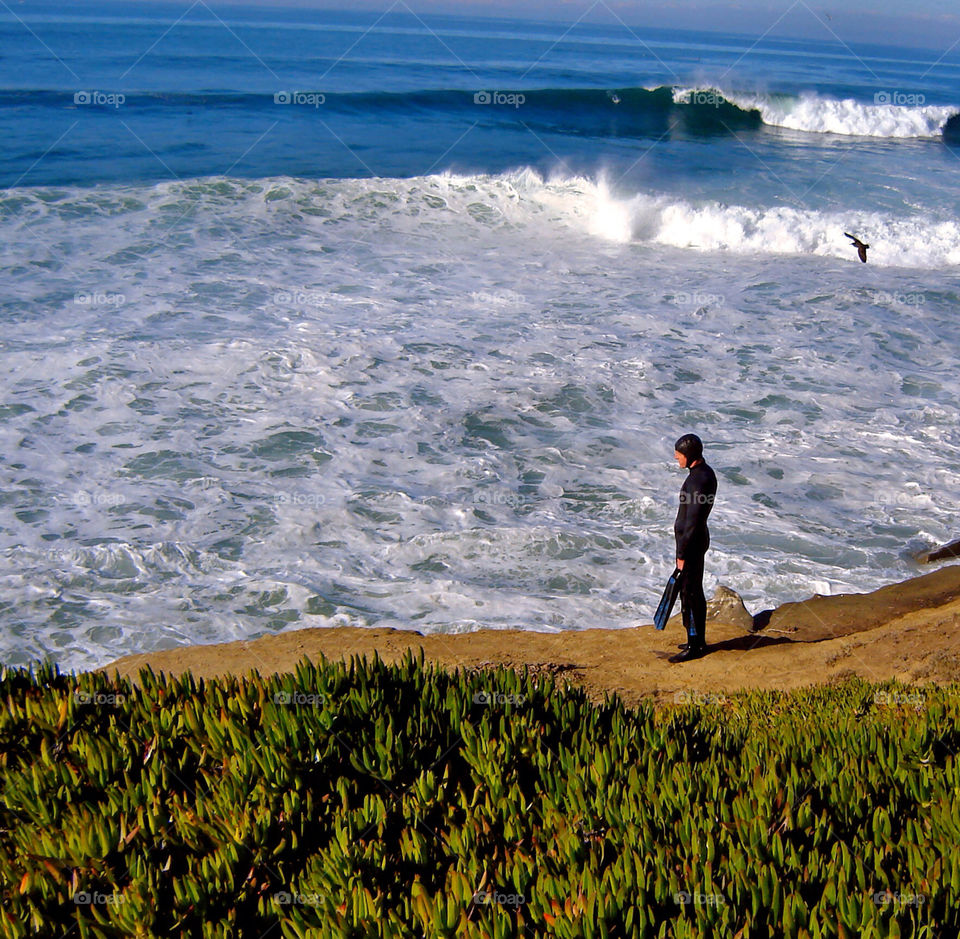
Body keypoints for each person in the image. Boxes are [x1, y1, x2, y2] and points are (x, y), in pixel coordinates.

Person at [669, 433, 717, 663]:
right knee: (690, 590)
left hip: (692, 544)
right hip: (693, 542)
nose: (676, 458)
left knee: (691, 593)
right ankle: (694, 639)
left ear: (689, 456)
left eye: (679, 455)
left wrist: (682, 554)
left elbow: (694, 522)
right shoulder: (700, 474)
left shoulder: (699, 480)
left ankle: (695, 645)